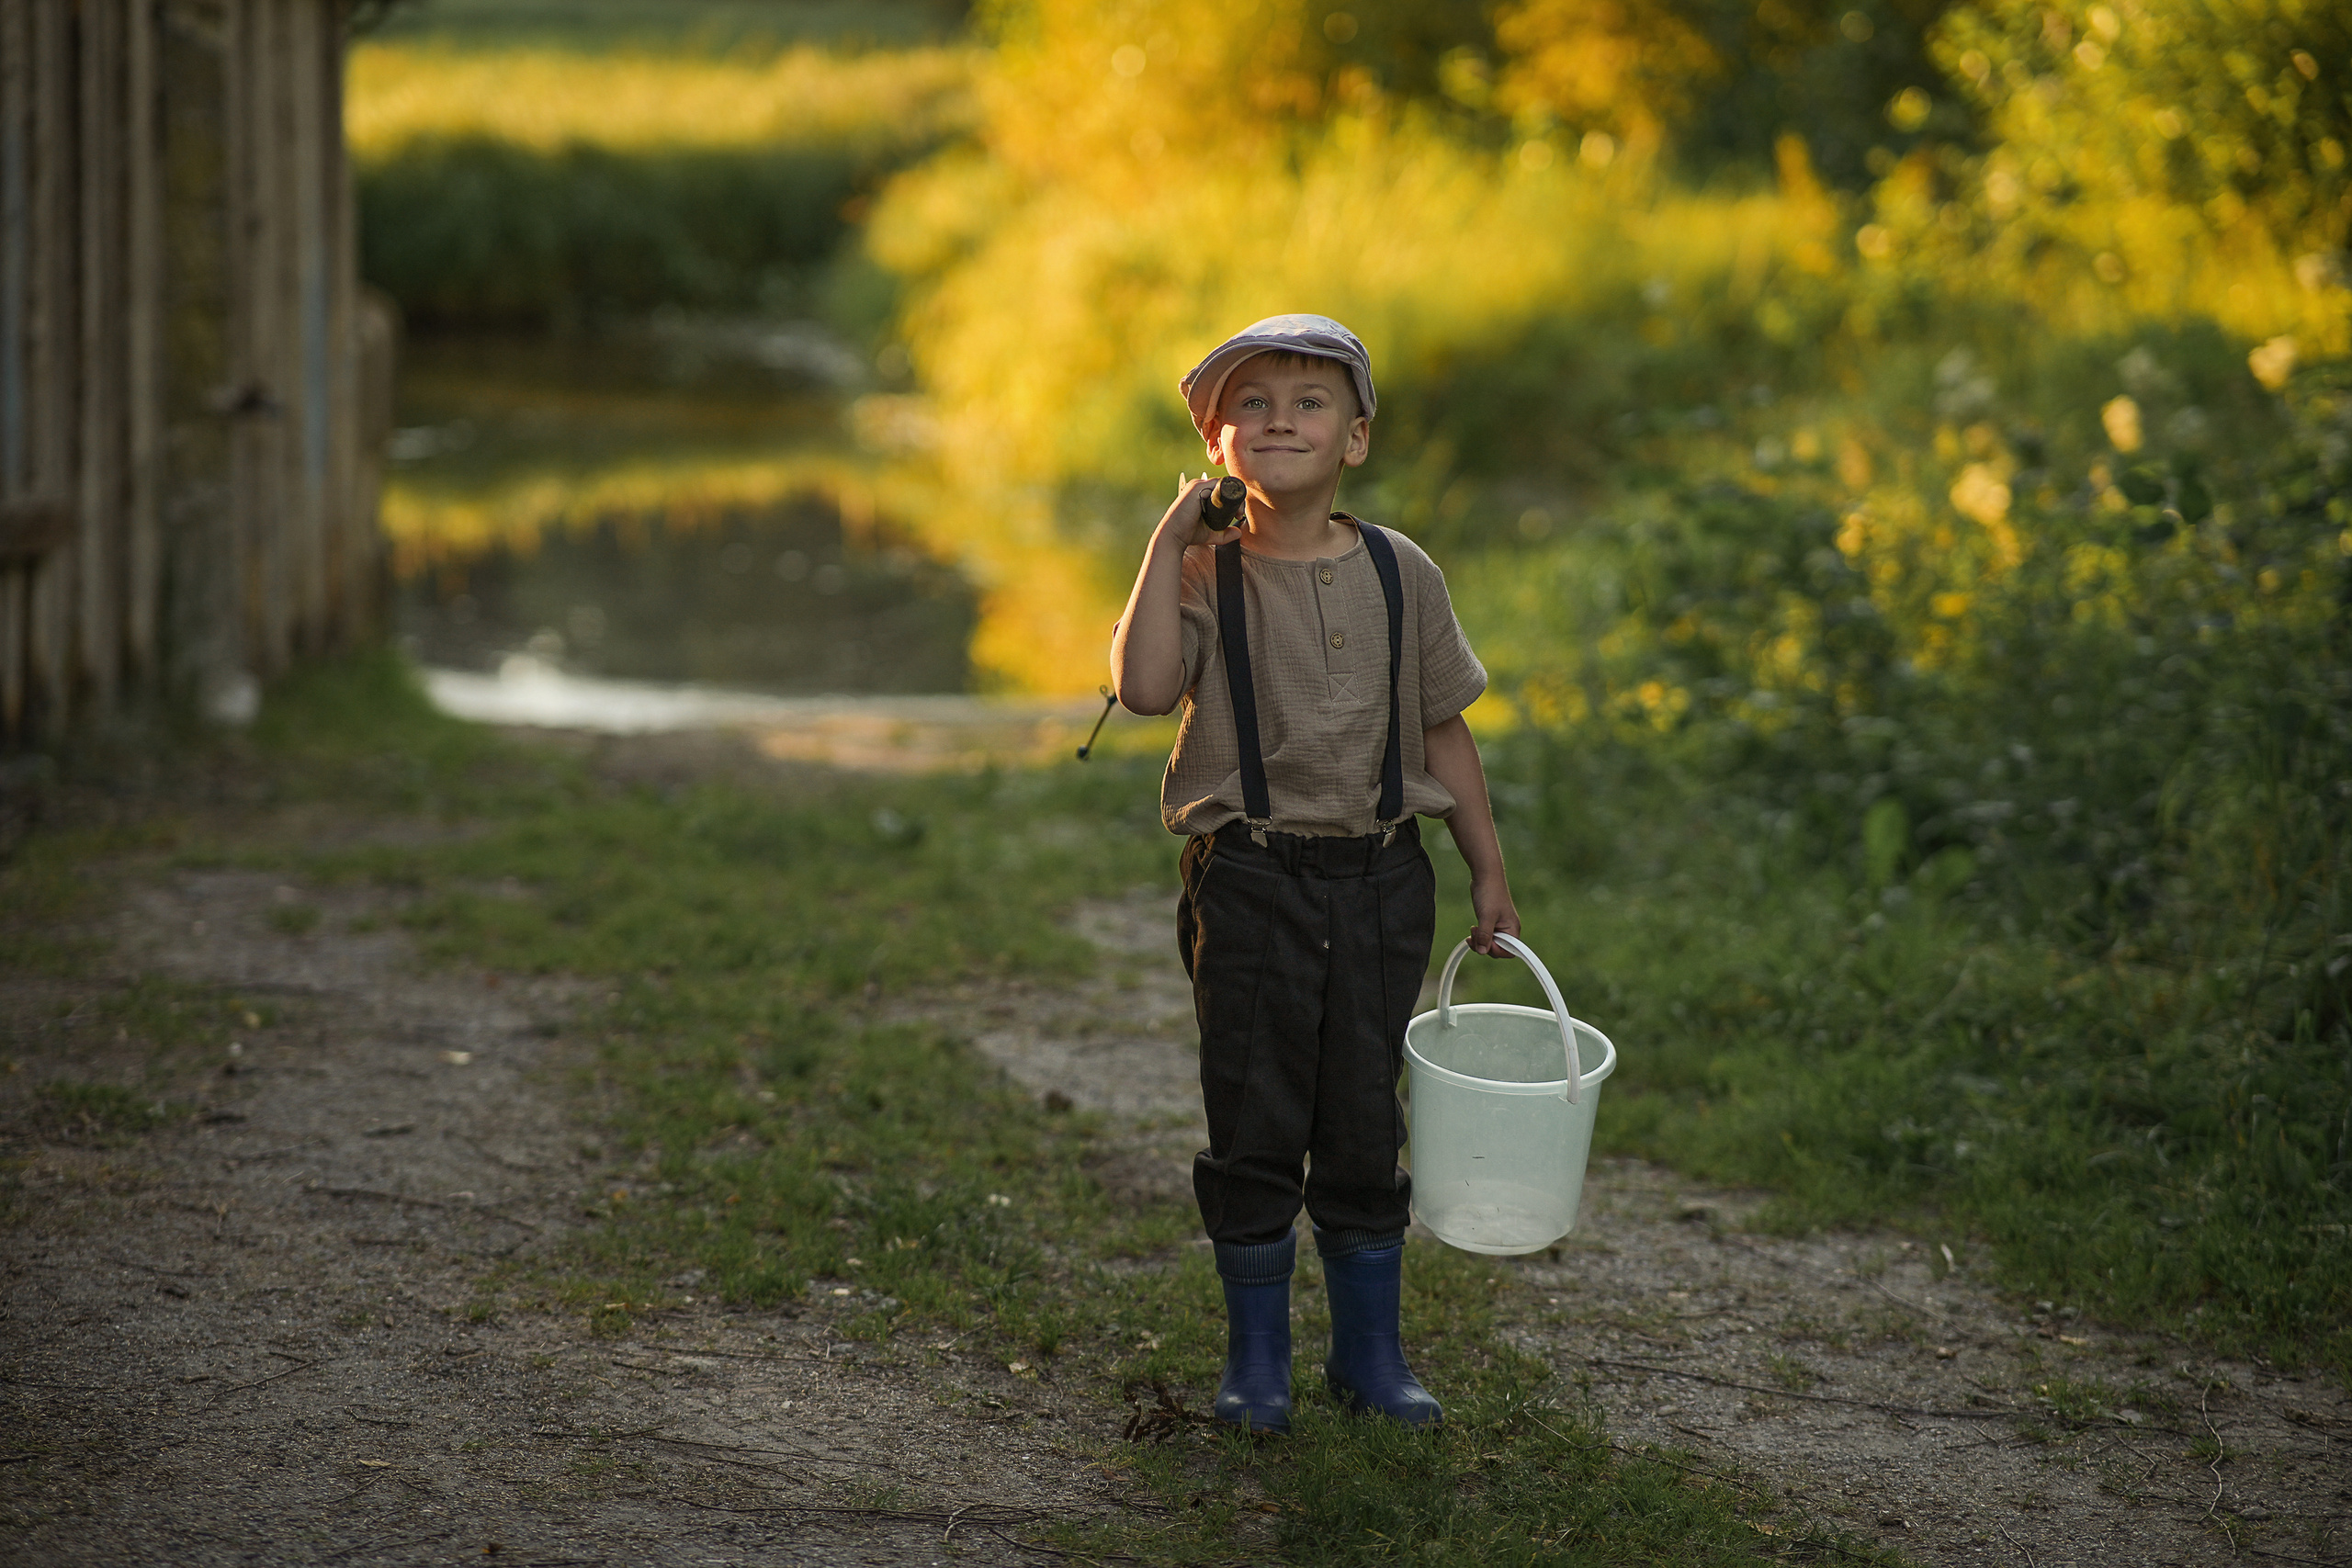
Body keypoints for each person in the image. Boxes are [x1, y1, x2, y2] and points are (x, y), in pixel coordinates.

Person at [1109, 313, 1520, 1432]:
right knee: (1254, 1113)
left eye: (1308, 403)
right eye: (1250, 404)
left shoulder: (1400, 570)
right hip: (1249, 878)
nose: (1278, 421)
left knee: (1361, 1118)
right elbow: (1143, 691)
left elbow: (1441, 730)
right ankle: (1257, 1364)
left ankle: (1369, 1358)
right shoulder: (1204, 571)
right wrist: (1165, 542)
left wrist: (1486, 871)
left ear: (1355, 438)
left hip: (1384, 880)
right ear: (1215, 443)